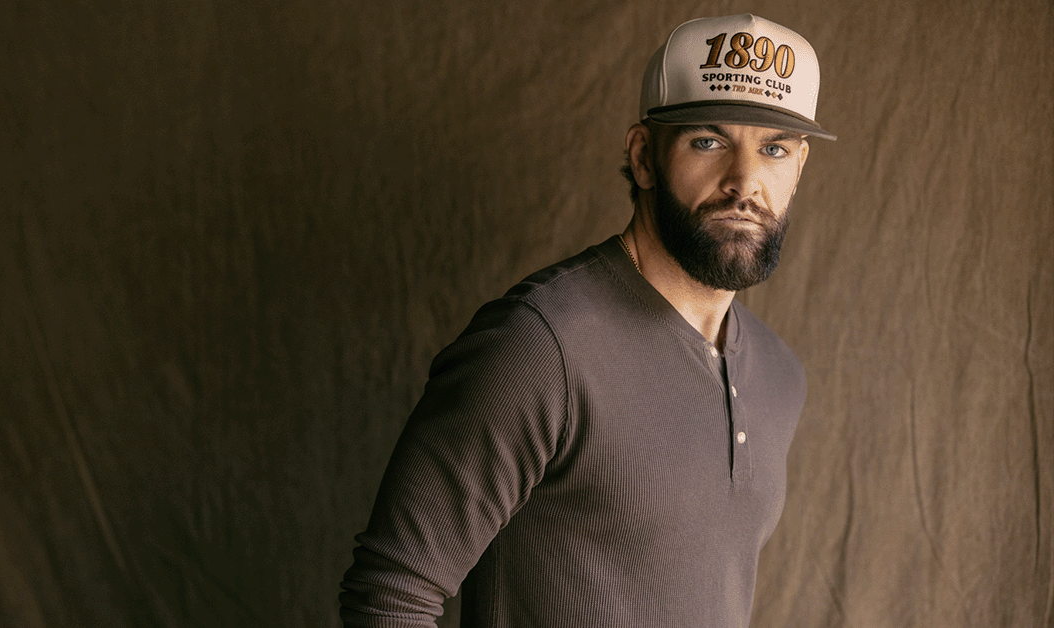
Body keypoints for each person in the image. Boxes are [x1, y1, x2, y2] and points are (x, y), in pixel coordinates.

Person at [340, 13, 835, 628]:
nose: (744, 181)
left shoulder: (780, 375)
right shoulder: (538, 344)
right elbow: (390, 594)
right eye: (708, 142)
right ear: (644, 156)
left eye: (773, 149)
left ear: (798, 168)